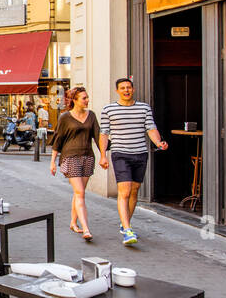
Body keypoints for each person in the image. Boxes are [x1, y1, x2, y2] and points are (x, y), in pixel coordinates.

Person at [99, 77, 168, 247]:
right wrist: (103, 155)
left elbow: (151, 128)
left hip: (140, 153)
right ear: (117, 91)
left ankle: (124, 223)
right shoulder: (109, 109)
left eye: (128, 87)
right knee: (125, 190)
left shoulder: (144, 108)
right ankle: (128, 230)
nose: (126, 90)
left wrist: (159, 142)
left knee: (135, 191)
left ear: (133, 89)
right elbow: (104, 133)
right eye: (122, 88)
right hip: (120, 154)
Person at [49, 86, 108, 241]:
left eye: (87, 97)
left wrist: (103, 156)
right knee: (80, 193)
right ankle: (86, 229)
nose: (87, 100)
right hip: (70, 157)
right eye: (84, 98)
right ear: (74, 100)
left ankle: (73, 222)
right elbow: (58, 139)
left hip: (88, 157)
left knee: (78, 193)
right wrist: (53, 162)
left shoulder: (92, 116)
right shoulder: (65, 117)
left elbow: (98, 136)